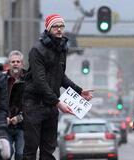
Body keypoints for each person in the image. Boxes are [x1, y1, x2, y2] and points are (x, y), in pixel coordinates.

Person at [22, 14, 93, 160]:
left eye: (62, 26)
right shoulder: (37, 50)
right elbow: (39, 81)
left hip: (50, 107)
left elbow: (60, 77)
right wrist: (58, 102)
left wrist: (79, 91)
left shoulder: (62, 49)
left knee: (48, 150)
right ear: (48, 28)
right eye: (56, 26)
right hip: (33, 105)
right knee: (31, 149)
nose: (59, 29)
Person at [6, 50, 26, 160]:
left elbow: (31, 104)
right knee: (6, 154)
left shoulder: (29, 80)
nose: (15, 63)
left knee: (20, 154)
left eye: (18, 61)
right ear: (9, 64)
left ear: (22, 64)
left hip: (22, 125)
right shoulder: (2, 79)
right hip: (5, 124)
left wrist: (19, 117)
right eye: (13, 61)